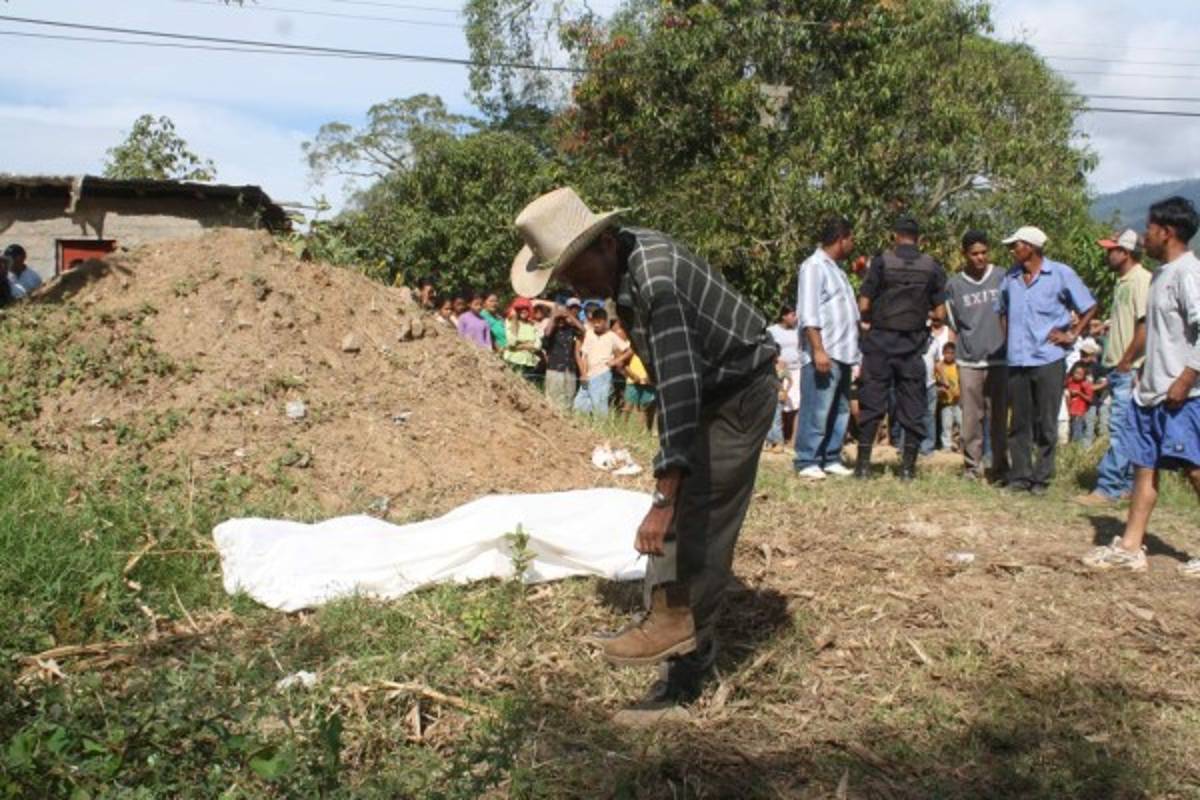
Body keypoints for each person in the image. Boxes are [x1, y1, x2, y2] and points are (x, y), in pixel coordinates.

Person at [510, 187, 778, 711]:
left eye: (574, 271)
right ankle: (665, 618)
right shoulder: (626, 263)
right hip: (707, 388)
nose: (572, 287)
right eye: (562, 277)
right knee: (681, 520)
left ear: (605, 244)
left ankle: (685, 678)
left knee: (700, 523)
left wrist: (663, 498)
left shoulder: (656, 281)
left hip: (736, 394)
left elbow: (681, 390)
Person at [1082, 196, 1200, 573]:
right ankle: (1131, 546)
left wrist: (1186, 378)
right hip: (1150, 391)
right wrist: (1140, 367)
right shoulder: (1161, 274)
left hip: (1182, 394)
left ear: (1167, 232)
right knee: (1143, 466)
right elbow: (1158, 332)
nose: (1144, 236)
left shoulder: (1188, 273)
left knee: (1194, 468)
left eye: (1149, 229)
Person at [997, 225, 1097, 495]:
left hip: (1048, 358)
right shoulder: (1011, 277)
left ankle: (1041, 478)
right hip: (1018, 359)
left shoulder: (1061, 274)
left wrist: (1071, 334)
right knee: (1019, 422)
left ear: (1031, 247)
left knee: (1046, 421)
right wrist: (1008, 340)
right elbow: (1001, 310)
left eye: (1016, 245)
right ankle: (1020, 476)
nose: (1012, 250)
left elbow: (1088, 306)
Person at [854, 215, 948, 481]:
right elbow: (940, 313)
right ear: (919, 239)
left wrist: (874, 316)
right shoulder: (931, 267)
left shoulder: (881, 262)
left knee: (872, 404)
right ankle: (907, 469)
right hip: (911, 347)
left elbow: (863, 305)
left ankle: (863, 467)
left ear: (895, 236)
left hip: (880, 344)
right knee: (913, 406)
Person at [1077, 229, 1153, 506]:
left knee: (1120, 428)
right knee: (1129, 428)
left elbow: (1145, 326)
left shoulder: (1141, 280)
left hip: (1129, 368)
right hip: (1121, 367)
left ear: (1126, 252)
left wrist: (1126, 361)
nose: (1108, 254)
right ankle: (1126, 486)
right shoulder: (1123, 281)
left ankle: (1107, 487)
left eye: (1112, 249)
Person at [794, 216, 860, 480]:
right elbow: (808, 312)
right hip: (825, 351)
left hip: (844, 352)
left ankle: (830, 456)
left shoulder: (838, 271)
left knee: (840, 409)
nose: (853, 244)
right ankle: (807, 459)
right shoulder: (813, 267)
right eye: (851, 238)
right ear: (841, 239)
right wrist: (818, 349)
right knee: (817, 408)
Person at [945, 230, 1008, 480]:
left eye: (984, 252)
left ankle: (1001, 467)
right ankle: (972, 467)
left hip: (999, 359)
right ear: (965, 254)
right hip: (969, 360)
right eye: (974, 254)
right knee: (971, 419)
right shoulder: (954, 285)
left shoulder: (1002, 276)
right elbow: (954, 324)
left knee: (998, 416)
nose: (980, 258)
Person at [573, 307, 629, 417]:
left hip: (603, 375)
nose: (596, 325)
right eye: (594, 322)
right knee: (579, 405)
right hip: (588, 375)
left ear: (605, 321)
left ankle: (601, 426)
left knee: (599, 408)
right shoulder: (589, 334)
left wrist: (616, 361)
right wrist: (583, 374)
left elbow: (629, 350)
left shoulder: (612, 336)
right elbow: (585, 355)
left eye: (599, 322)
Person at [767, 305, 802, 445]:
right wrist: (776, 360)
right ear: (784, 316)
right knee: (779, 404)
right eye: (793, 315)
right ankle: (777, 437)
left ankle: (794, 439)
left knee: (797, 405)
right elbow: (766, 348)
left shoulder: (798, 330)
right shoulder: (772, 331)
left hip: (797, 370)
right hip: (779, 372)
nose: (795, 318)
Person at [542, 298, 585, 411]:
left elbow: (583, 330)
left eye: (576, 309)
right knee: (552, 402)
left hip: (570, 369)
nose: (574, 310)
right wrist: (554, 315)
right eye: (571, 308)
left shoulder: (573, 329)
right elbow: (547, 334)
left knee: (568, 401)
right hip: (555, 369)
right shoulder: (553, 328)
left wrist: (570, 316)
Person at [502, 297, 542, 381]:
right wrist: (528, 344)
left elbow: (538, 346)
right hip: (513, 361)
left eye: (526, 309)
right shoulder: (509, 322)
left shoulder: (533, 325)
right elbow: (511, 343)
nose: (523, 311)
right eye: (520, 308)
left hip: (529, 364)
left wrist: (520, 346)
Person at [935, 342, 962, 452]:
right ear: (943, 353)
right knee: (946, 425)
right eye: (947, 353)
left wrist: (960, 392)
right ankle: (946, 446)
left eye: (952, 353)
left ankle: (962, 445)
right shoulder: (940, 367)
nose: (949, 355)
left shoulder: (958, 366)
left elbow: (962, 381)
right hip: (946, 401)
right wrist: (940, 389)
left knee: (961, 423)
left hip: (958, 401)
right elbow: (937, 382)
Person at [622, 350, 658, 431]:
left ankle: (641, 431)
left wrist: (650, 378)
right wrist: (633, 376)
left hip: (648, 383)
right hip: (633, 383)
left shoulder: (653, 351)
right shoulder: (632, 350)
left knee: (645, 409)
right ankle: (622, 428)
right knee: (628, 407)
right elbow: (623, 364)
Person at [1065, 362, 1095, 444]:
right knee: (1069, 431)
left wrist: (1079, 393)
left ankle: (1076, 446)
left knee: (1077, 431)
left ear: (1084, 375)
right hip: (1069, 411)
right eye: (1076, 373)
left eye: (1080, 374)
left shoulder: (1085, 384)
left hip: (1079, 412)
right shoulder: (1070, 381)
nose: (1077, 375)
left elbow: (1090, 399)